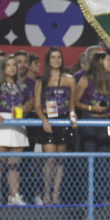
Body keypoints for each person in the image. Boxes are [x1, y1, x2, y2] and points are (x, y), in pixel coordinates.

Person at [0, 54, 33, 205]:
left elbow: (29, 104)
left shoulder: (22, 86)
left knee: (14, 164)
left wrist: (25, 108)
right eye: (8, 65)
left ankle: (13, 195)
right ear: (3, 67)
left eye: (14, 65)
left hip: (17, 123)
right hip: (0, 123)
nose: (12, 68)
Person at [34, 48, 75, 206]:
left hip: (64, 121)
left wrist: (73, 119)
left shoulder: (69, 79)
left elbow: (72, 105)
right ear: (48, 60)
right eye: (53, 57)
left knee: (60, 159)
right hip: (49, 121)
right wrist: (44, 120)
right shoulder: (41, 81)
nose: (56, 60)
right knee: (50, 158)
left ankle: (56, 193)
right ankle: (46, 193)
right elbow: (37, 106)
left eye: (59, 57)